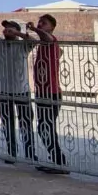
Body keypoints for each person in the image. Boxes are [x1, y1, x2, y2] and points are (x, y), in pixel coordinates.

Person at [0, 20, 37, 164]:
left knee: (25, 123)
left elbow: (34, 41)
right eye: (6, 28)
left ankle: (30, 153)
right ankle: (11, 152)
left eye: (10, 28)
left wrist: (18, 34)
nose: (7, 30)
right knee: (7, 123)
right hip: (4, 90)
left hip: (22, 90)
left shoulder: (23, 45)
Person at [27, 14, 67, 174]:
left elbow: (46, 37)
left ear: (51, 27)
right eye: (39, 22)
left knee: (46, 127)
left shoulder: (51, 40)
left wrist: (34, 29)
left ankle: (59, 162)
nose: (40, 25)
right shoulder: (44, 45)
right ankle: (57, 161)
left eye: (44, 23)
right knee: (45, 127)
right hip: (42, 92)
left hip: (50, 93)